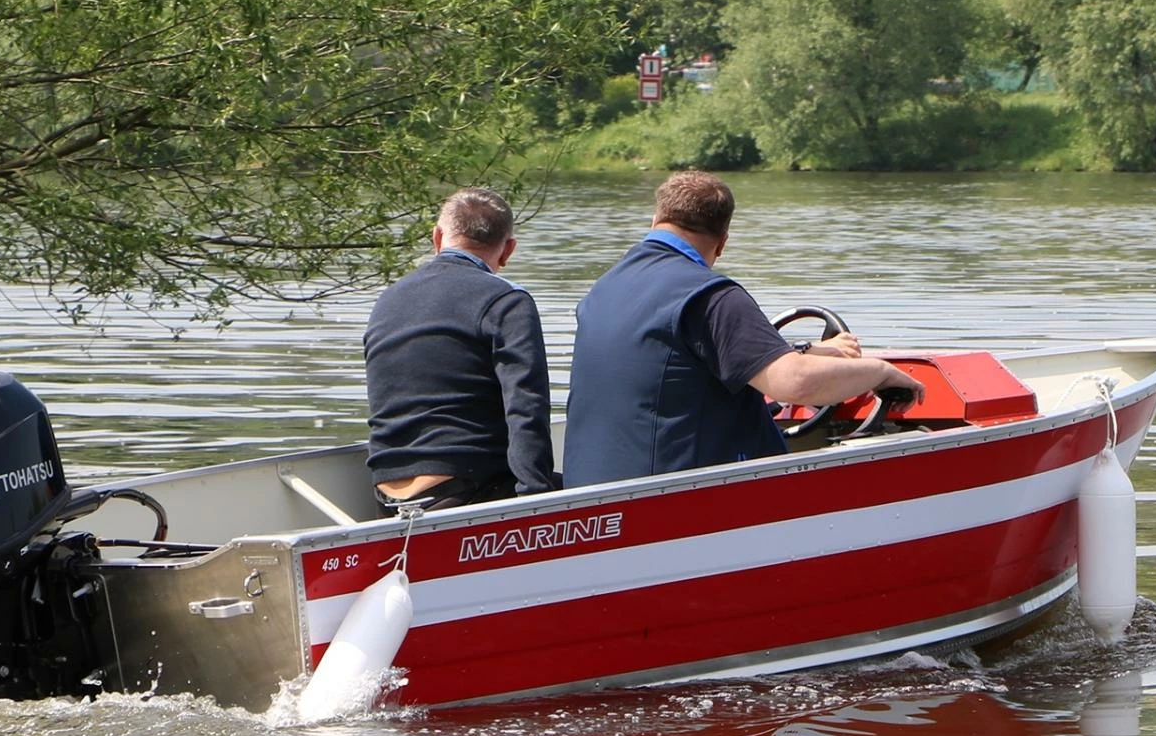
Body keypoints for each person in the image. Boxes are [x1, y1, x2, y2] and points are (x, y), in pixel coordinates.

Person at [563, 171, 925, 488]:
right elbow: (796, 384)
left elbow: (683, 361)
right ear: (722, 243)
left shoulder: (604, 289)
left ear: (655, 218)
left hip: (596, 492)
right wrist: (880, 373)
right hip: (680, 502)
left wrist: (802, 352)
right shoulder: (711, 296)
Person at [363, 187, 558, 512]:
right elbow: (527, 409)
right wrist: (536, 500)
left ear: (437, 238)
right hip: (466, 488)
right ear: (508, 250)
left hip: (387, 494)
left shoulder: (388, 300)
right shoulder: (507, 303)